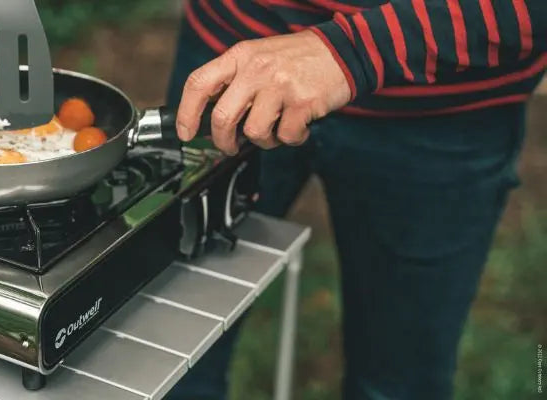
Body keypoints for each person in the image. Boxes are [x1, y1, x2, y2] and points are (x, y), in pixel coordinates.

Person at [164, 1, 545, 399]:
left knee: (398, 384)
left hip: (446, 109)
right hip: (237, 54)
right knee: (172, 355)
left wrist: (356, 51)